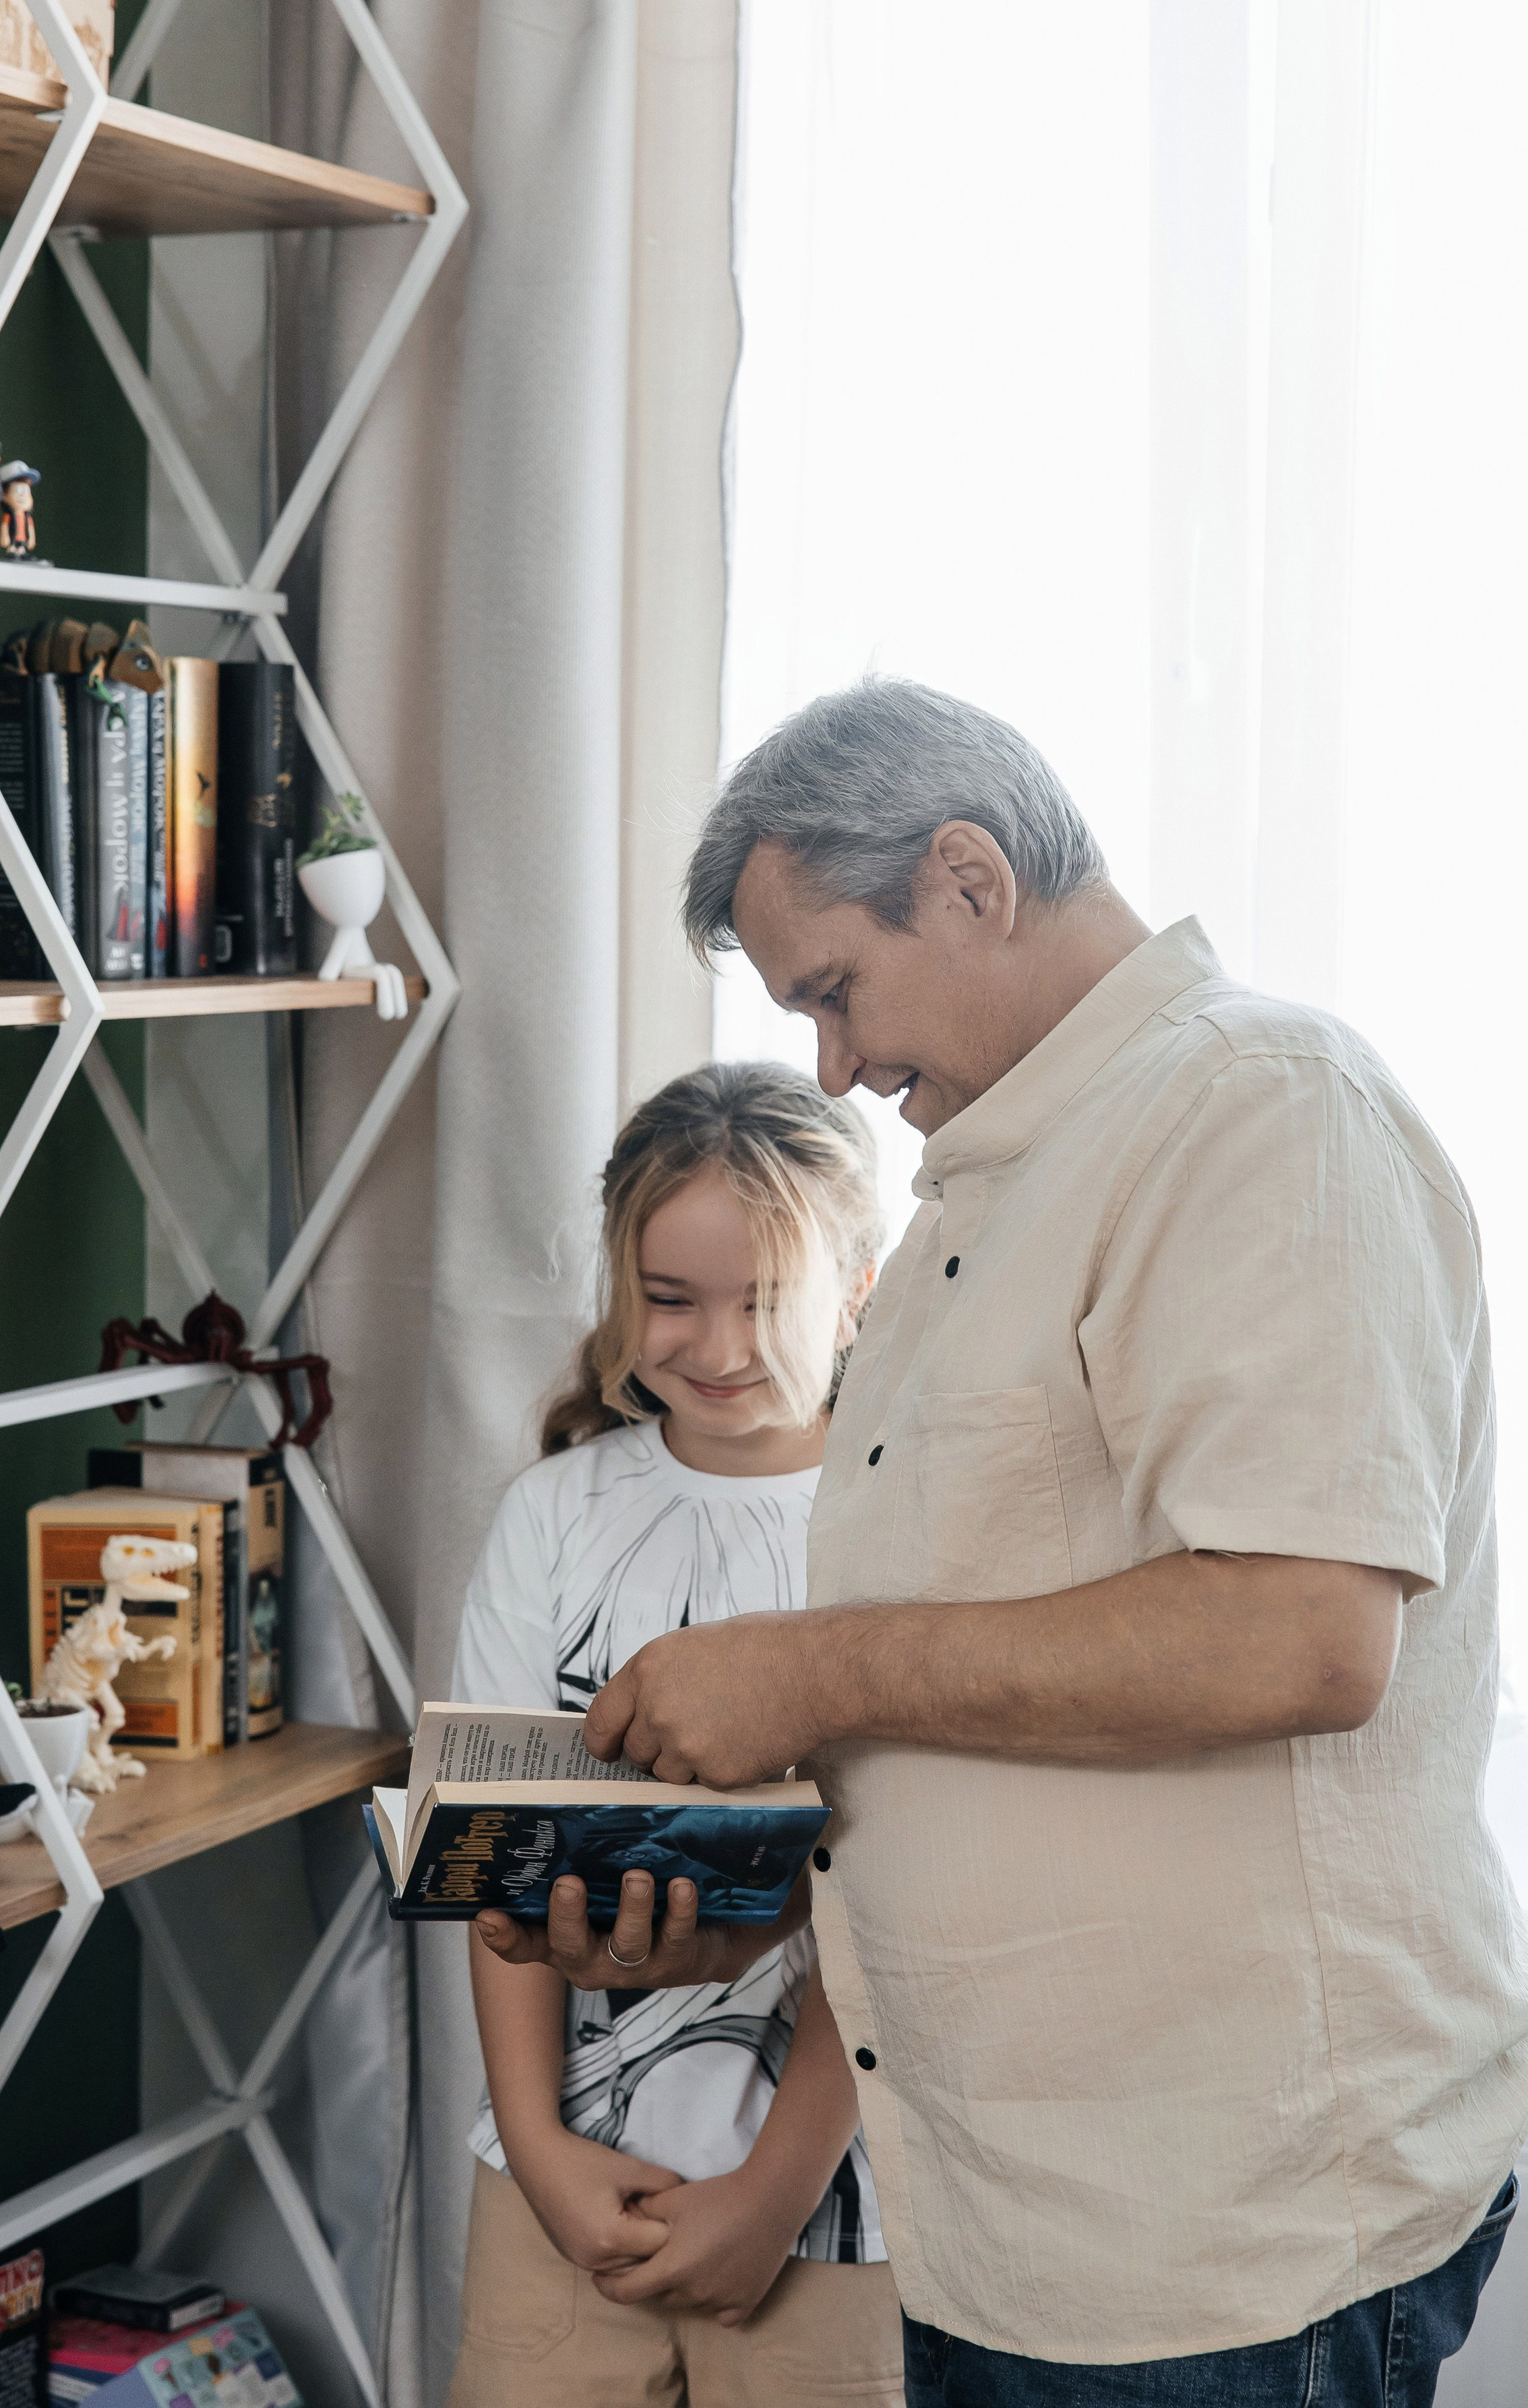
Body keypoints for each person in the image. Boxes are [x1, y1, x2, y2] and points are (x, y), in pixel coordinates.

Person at [478, 678, 1528, 2408]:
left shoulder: (1258, 1110)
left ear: (967, 879)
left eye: (832, 990)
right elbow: (993, 1699)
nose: (835, 1064)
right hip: (1008, 2231)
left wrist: (802, 1670)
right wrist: (718, 1917)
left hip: (1209, 2250)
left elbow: (1297, 1637)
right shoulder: (993, 1186)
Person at [447, 1062, 904, 2407]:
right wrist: (535, 2144)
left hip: (832, 2209)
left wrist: (776, 2190)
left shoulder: (900, 1528)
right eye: (668, 1299)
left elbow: (899, 1903)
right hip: (563, 2193)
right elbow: (490, 1857)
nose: (711, 1347)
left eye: (762, 1303)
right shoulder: (555, 1513)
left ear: (858, 1287)